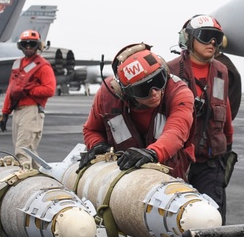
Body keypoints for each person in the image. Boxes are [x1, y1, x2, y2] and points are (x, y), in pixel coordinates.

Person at [167, 15, 233, 237]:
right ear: (189, 39)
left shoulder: (221, 71)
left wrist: (228, 144)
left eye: (216, 38)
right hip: (176, 160)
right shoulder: (170, 70)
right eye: (205, 36)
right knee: (165, 219)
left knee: (206, 221)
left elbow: (224, 109)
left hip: (210, 159)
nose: (212, 43)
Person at [80, 43, 195, 179]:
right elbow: (91, 130)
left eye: (158, 81)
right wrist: (98, 144)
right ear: (124, 92)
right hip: (121, 177)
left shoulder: (179, 93)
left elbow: (176, 131)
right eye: (143, 89)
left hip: (167, 176)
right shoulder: (107, 95)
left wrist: (153, 153)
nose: (154, 92)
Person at [0, 29, 57, 167]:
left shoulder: (43, 66)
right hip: (18, 111)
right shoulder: (17, 64)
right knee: (26, 150)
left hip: (31, 111)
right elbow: (11, 89)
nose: (28, 47)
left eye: (32, 44)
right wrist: (5, 113)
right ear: (20, 46)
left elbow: (49, 89)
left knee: (23, 150)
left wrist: (29, 90)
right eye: (25, 44)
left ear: (38, 46)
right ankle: (42, 174)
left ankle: (24, 176)